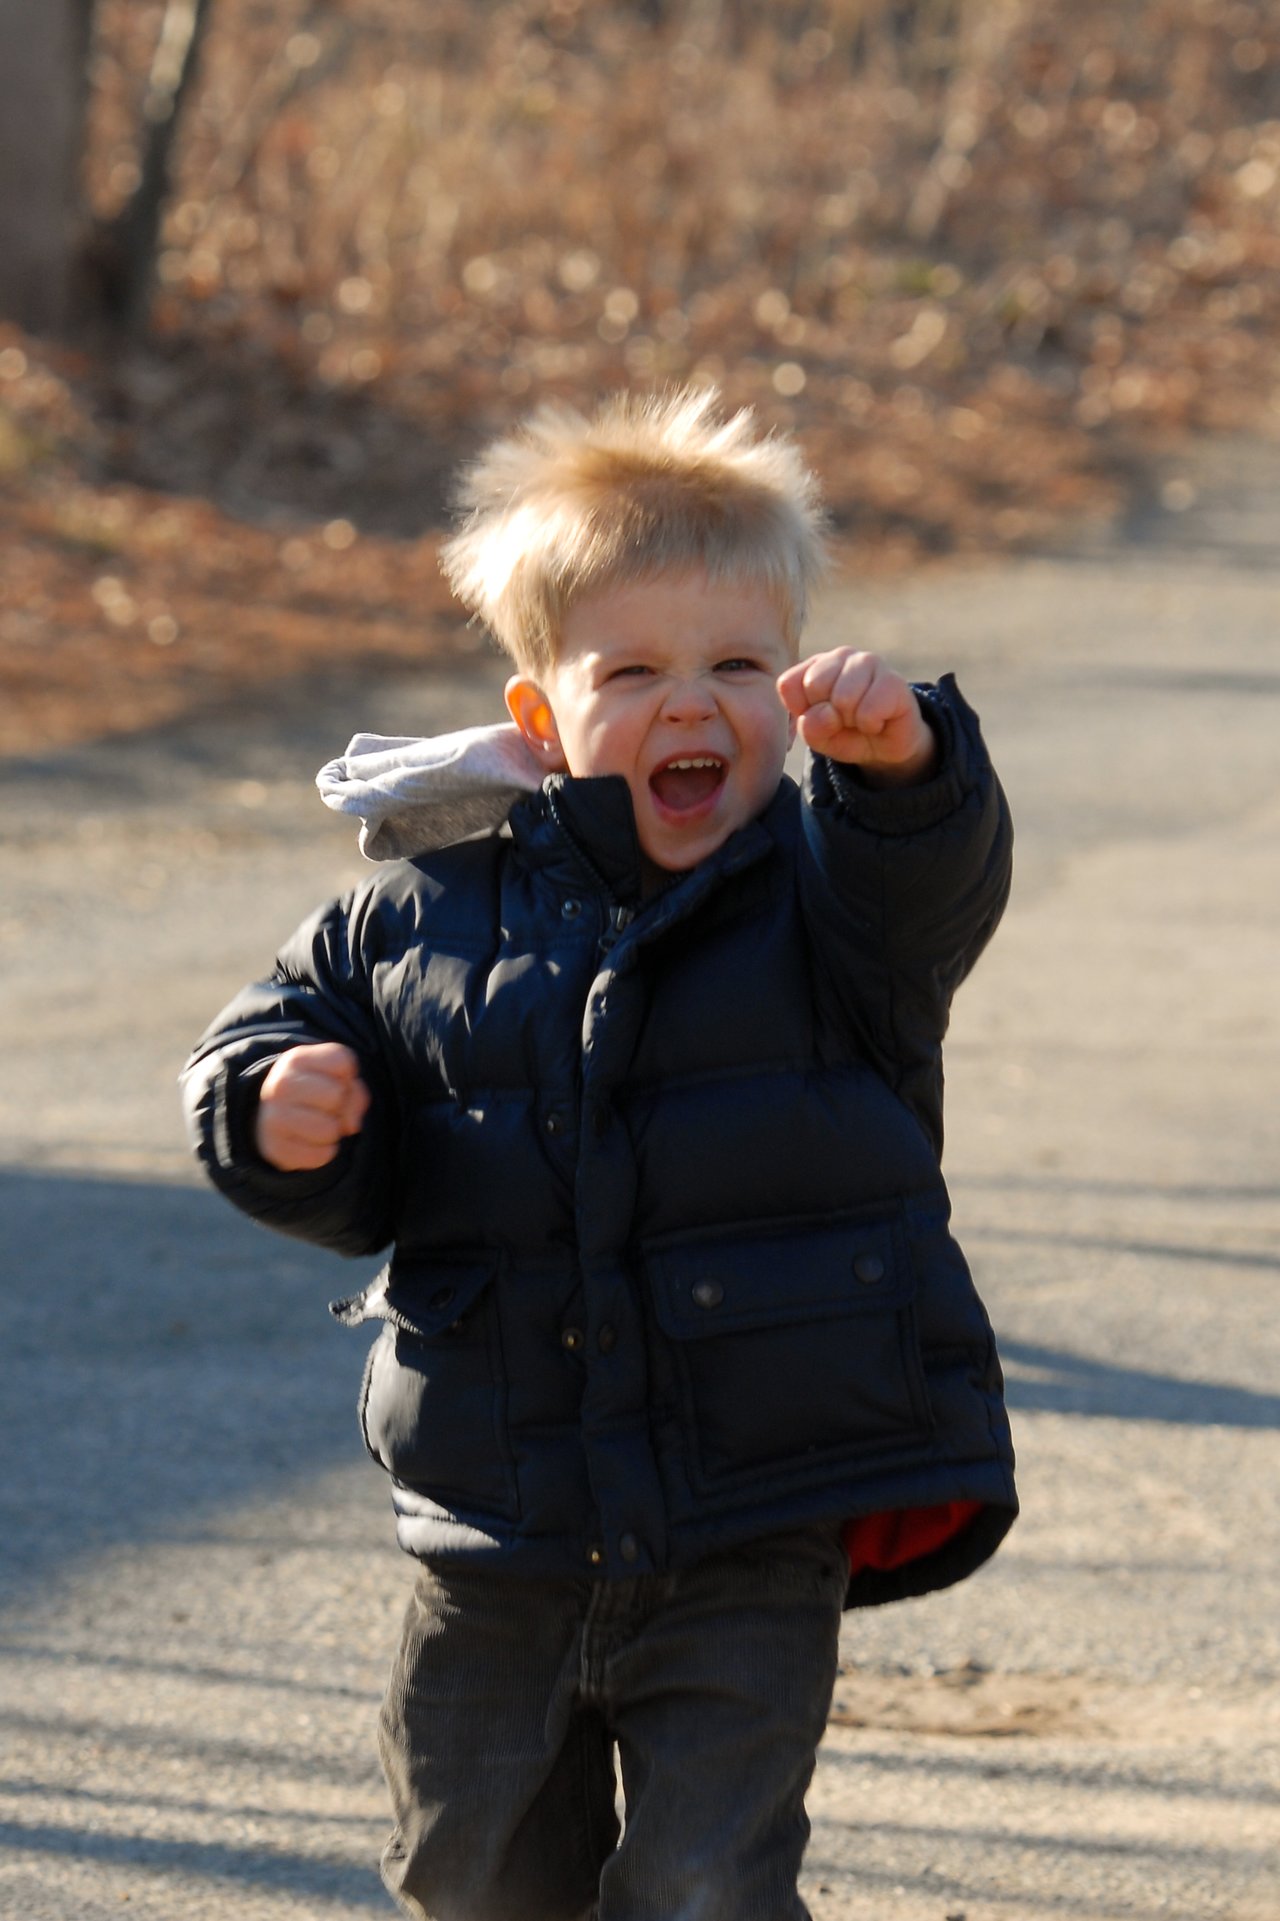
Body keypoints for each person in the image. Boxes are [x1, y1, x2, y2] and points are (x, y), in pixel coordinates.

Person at [181, 386, 1017, 1921]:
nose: (692, 703)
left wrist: (908, 764)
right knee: (472, 1870)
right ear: (540, 717)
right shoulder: (420, 915)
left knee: (703, 1878)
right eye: (632, 669)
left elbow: (934, 871)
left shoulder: (835, 899)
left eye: (737, 665)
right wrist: (273, 1111)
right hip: (499, 1520)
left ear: (790, 686)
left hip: (752, 1512)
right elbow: (273, 1046)